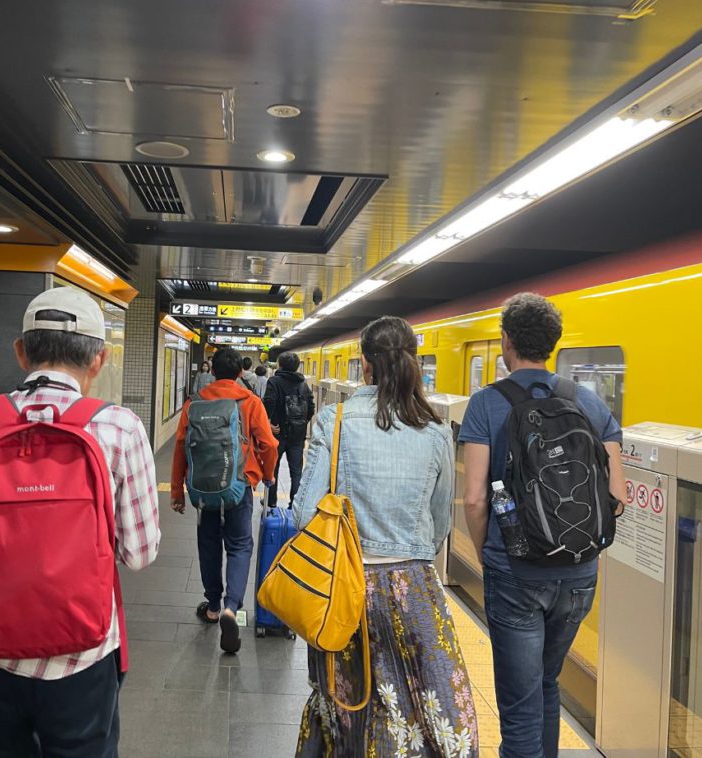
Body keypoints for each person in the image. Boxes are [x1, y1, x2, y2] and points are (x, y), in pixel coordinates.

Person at [0, 287, 161, 758]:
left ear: (21, 352)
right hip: (82, 655)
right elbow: (140, 555)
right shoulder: (120, 428)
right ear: (99, 360)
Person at [294, 316, 478, 758]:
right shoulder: (435, 431)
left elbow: (304, 516)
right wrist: (410, 555)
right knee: (427, 705)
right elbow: (438, 525)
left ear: (365, 365)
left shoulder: (333, 421)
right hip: (414, 589)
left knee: (347, 703)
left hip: (345, 591)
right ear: (413, 362)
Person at [459, 292, 629, 758]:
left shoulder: (486, 405)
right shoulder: (590, 405)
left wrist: (486, 553)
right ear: (553, 344)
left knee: (518, 709)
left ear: (506, 341)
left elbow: (475, 499)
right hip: (578, 574)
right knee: (547, 684)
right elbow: (618, 496)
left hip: (513, 571)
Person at [171, 347, 278, 653]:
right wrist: (266, 475)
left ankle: (213, 605)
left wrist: (177, 491)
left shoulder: (195, 403)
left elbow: (180, 447)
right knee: (240, 545)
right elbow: (268, 444)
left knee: (208, 543)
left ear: (212, 371)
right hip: (238, 486)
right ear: (240, 373)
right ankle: (232, 606)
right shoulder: (249, 402)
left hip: (203, 489)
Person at [262, 352, 314, 509]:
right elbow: (311, 407)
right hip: (297, 436)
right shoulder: (303, 384)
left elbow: (269, 402)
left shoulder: (274, 381)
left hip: (277, 433)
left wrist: (268, 422)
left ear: (281, 365)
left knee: (273, 469)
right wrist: (301, 423)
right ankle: (294, 504)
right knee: (296, 471)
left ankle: (271, 501)